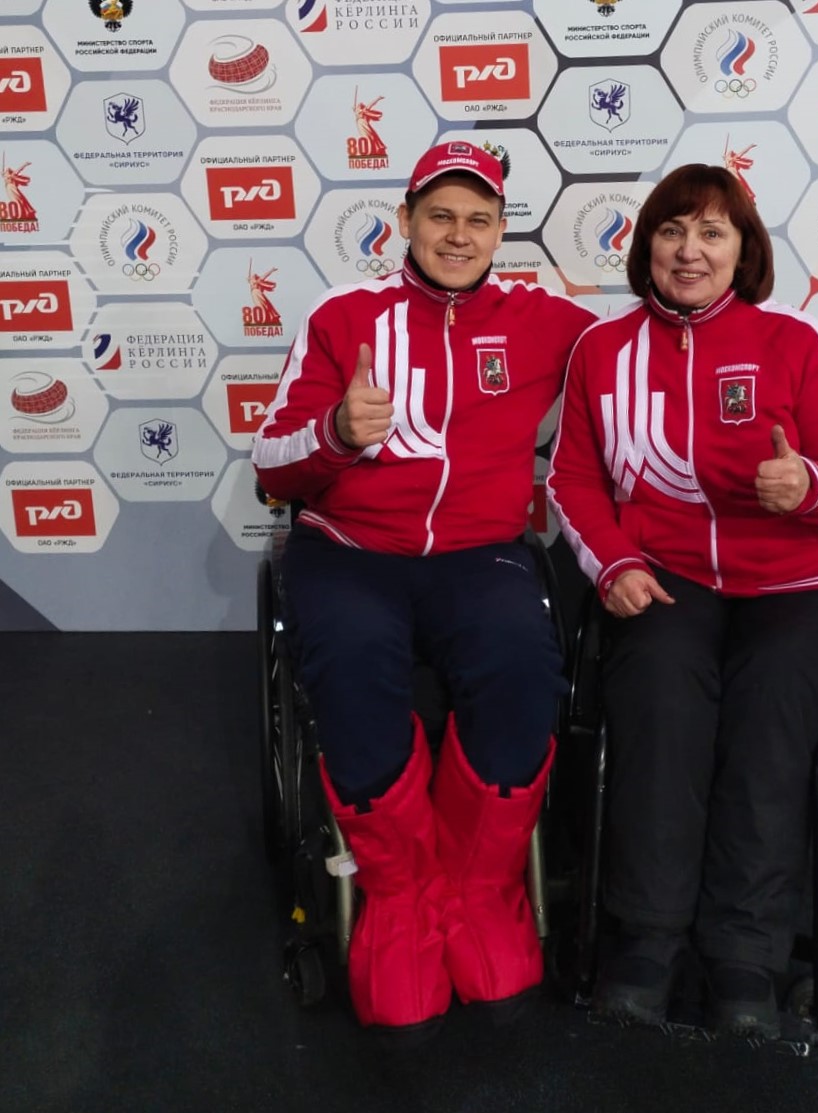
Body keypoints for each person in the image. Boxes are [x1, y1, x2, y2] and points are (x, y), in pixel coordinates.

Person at [252, 142, 596, 1035]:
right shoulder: (343, 316)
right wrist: (337, 430)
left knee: (522, 663)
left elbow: (656, 356)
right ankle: (400, 896)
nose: (458, 234)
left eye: (478, 219)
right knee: (354, 661)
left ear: (501, 231)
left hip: (480, 552)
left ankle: (479, 893)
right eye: (440, 215)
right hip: (351, 549)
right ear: (404, 220)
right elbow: (271, 464)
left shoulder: (545, 321)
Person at [546, 164, 818, 1038]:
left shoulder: (794, 339)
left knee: (768, 721)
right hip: (669, 576)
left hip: (796, 581)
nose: (688, 250)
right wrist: (612, 563)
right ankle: (646, 937)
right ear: (646, 247)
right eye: (671, 231)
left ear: (743, 251)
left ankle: (744, 950)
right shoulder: (601, 351)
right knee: (658, 706)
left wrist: (806, 486)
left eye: (711, 232)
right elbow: (573, 481)